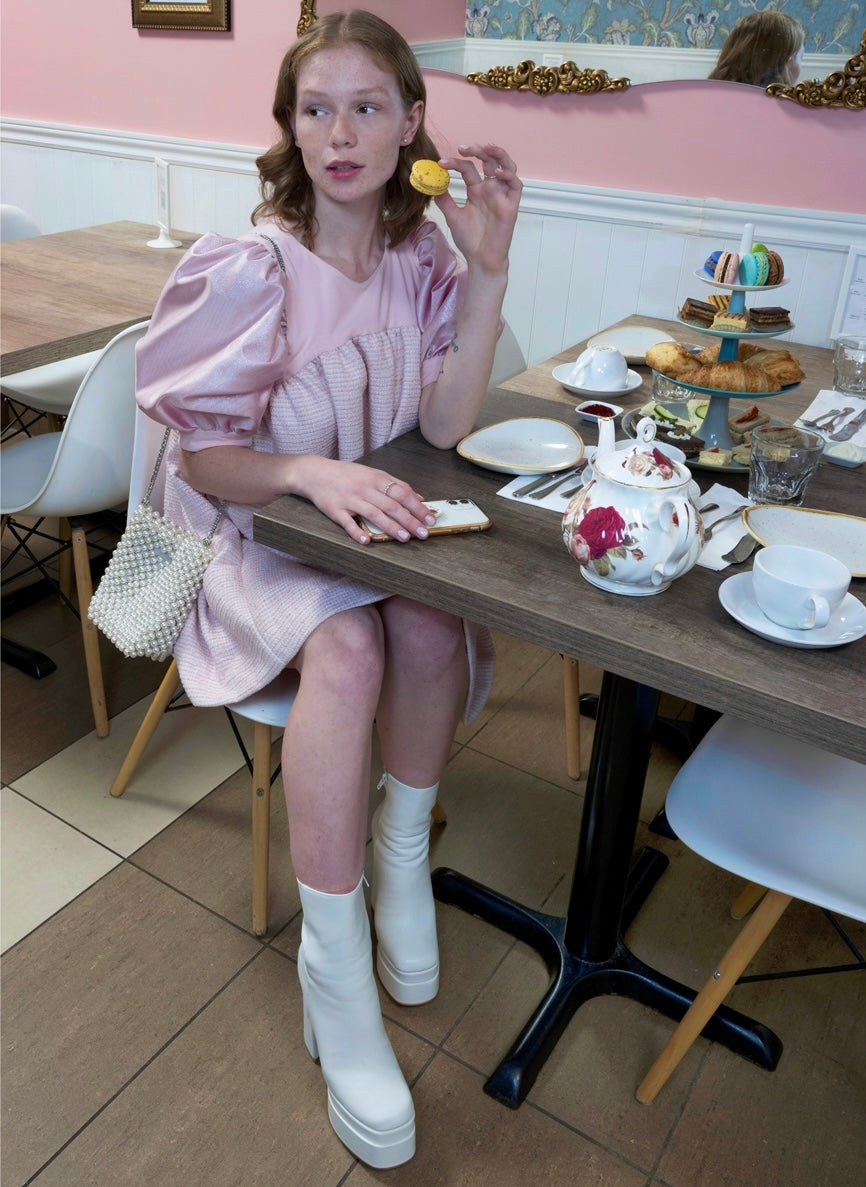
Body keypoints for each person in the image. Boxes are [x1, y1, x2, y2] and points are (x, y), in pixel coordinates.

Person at [135, 9, 521, 1170]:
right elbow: (204, 462)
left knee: (424, 616)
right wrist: (311, 469)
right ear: (289, 127)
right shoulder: (253, 263)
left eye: (366, 107)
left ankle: (400, 854)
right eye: (315, 108)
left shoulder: (422, 258)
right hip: (246, 529)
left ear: (412, 122)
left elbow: (448, 424)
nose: (339, 132)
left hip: (363, 534)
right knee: (349, 651)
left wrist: (492, 263)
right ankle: (333, 959)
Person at [708, 11, 805, 88]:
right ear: (787, 62)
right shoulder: (789, 109)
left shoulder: (710, 94)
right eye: (800, 58)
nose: (800, 66)